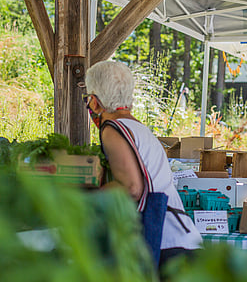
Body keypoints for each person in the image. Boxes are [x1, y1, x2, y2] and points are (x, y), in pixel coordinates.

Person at [84, 61, 202, 272]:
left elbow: (131, 187)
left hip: (164, 243)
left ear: (94, 101)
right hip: (182, 239)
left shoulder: (112, 129)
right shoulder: (138, 128)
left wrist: (88, 197)